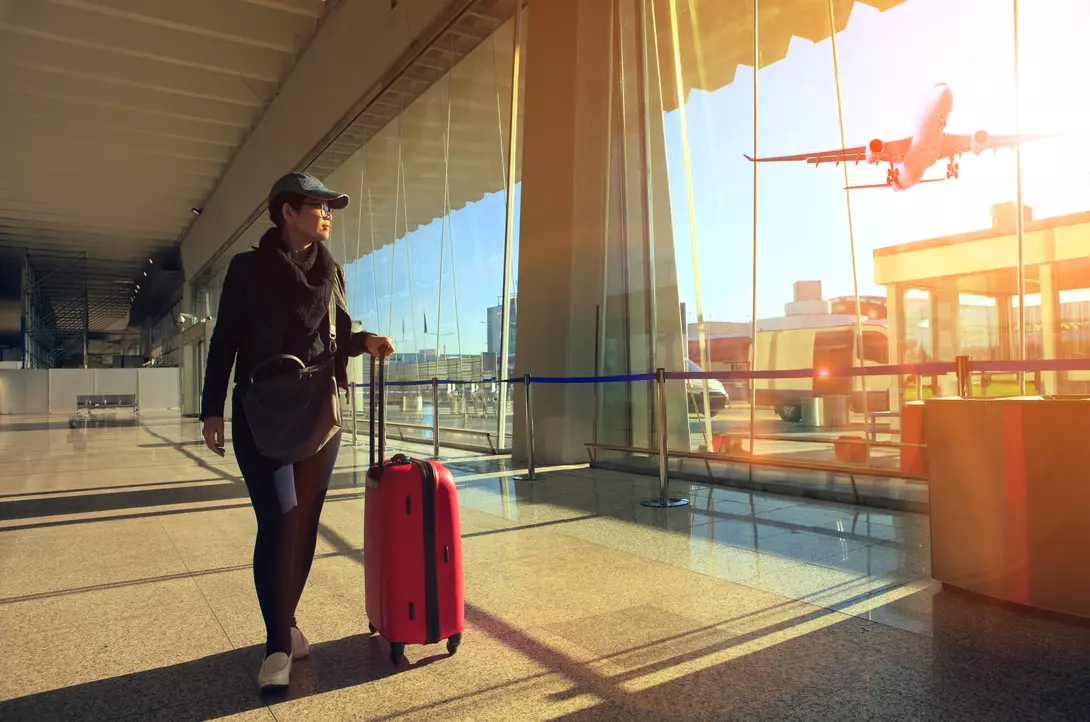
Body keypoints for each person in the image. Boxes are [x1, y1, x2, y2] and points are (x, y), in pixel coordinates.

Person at [199, 172, 394, 692]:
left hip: (317, 414)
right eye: (319, 204)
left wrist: (368, 340)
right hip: (260, 410)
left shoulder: (331, 271)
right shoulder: (247, 270)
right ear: (287, 211)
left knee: (305, 523)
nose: (328, 213)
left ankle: (283, 625)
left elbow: (339, 335)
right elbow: (224, 342)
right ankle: (276, 648)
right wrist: (211, 409)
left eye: (332, 207)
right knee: (281, 518)